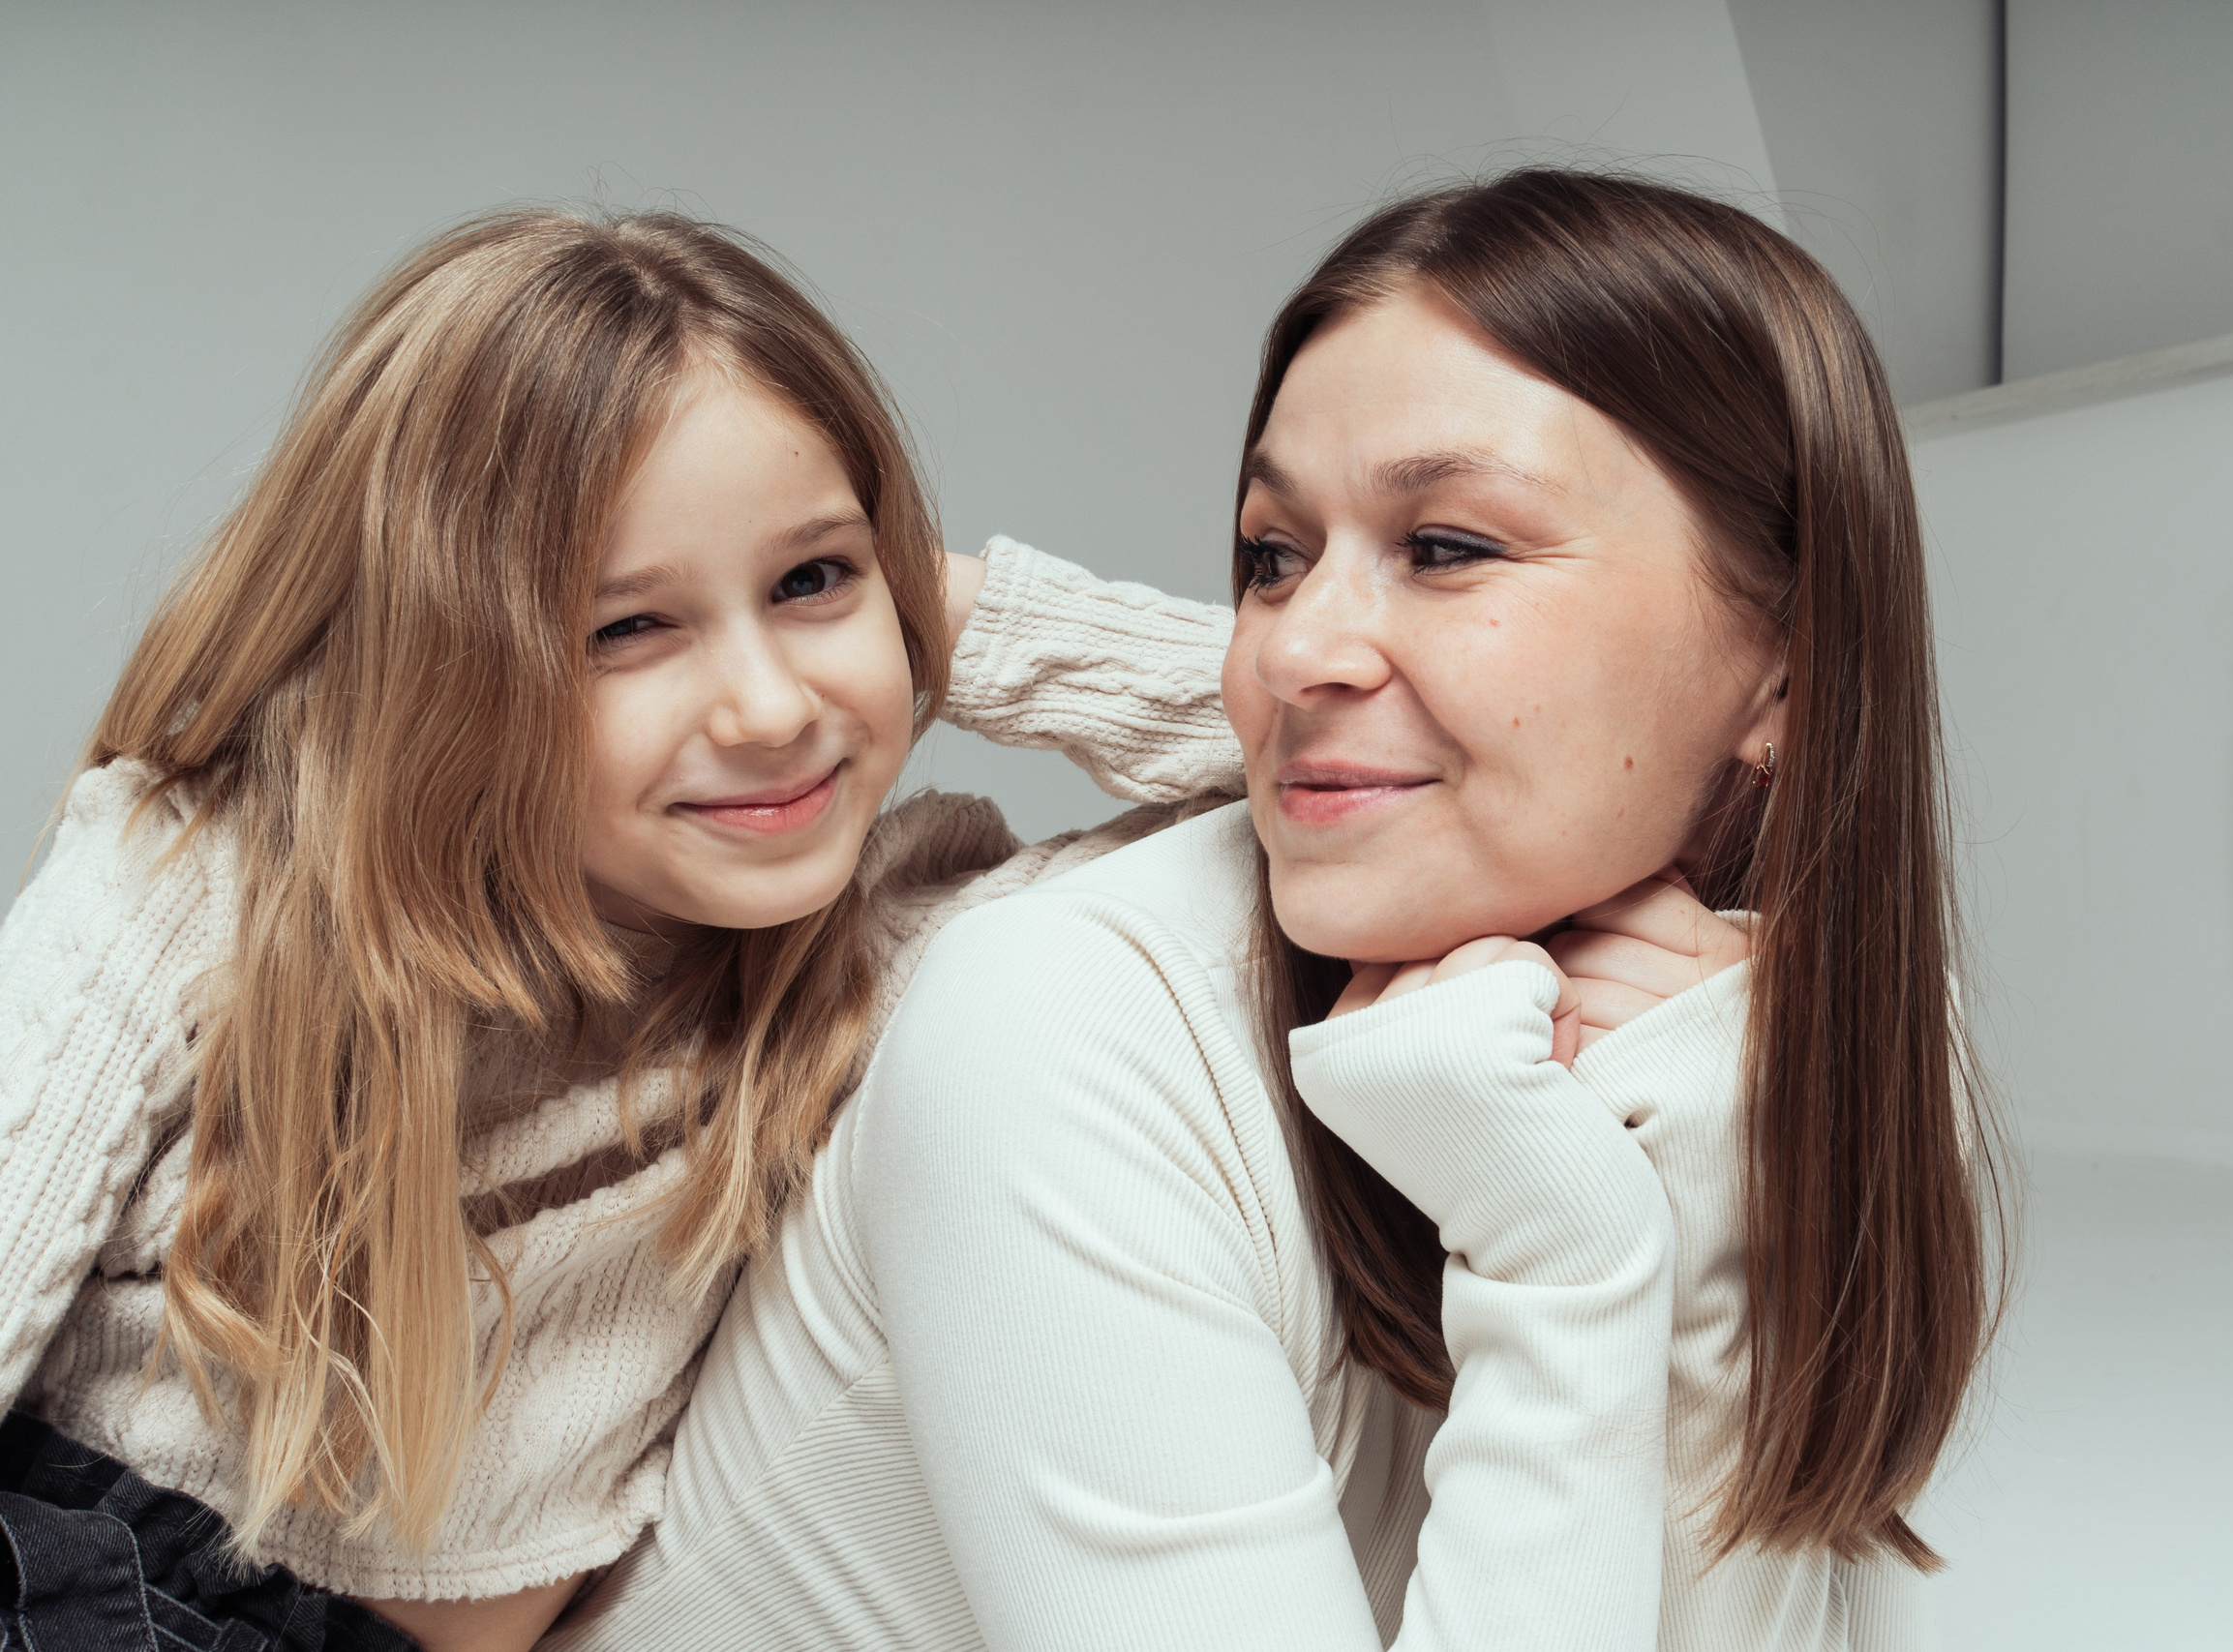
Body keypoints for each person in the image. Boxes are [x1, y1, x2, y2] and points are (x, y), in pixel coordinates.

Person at [558, 168, 2000, 1650]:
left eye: (1445, 547)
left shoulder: (1763, 1024)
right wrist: (1569, 1259)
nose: (1291, 649)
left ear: (1786, 663)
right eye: (1271, 556)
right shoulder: (1063, 1024)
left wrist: (1696, 1191)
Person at [0, 208, 1242, 1651]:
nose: (771, 708)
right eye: (625, 630)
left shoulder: (870, 943)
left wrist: (944, 608)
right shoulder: (206, 879)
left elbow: (1339, 750)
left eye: (811, 581)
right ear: (440, 664)